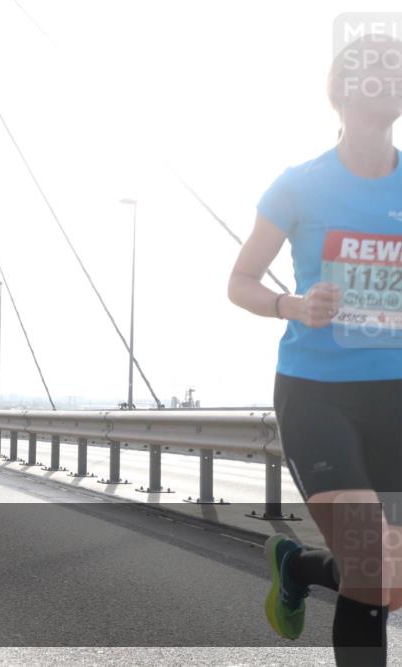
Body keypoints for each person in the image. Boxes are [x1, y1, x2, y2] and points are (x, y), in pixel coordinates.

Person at [228, 34, 402, 666]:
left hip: (395, 398)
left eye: (397, 67)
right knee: (373, 568)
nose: (390, 76)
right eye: (375, 67)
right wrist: (291, 305)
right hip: (317, 394)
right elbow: (239, 282)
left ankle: (297, 565)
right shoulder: (299, 186)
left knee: (387, 582)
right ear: (342, 92)